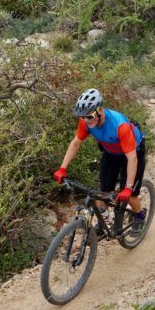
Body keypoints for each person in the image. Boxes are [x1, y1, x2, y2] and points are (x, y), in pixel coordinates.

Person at [53, 88, 147, 236]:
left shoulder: (119, 125)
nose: (86, 120)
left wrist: (128, 187)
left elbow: (132, 158)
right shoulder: (85, 122)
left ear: (100, 110)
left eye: (89, 116)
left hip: (133, 153)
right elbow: (76, 142)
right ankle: (103, 224)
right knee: (102, 193)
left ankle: (140, 217)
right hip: (111, 154)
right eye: (83, 117)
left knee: (130, 195)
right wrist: (62, 168)